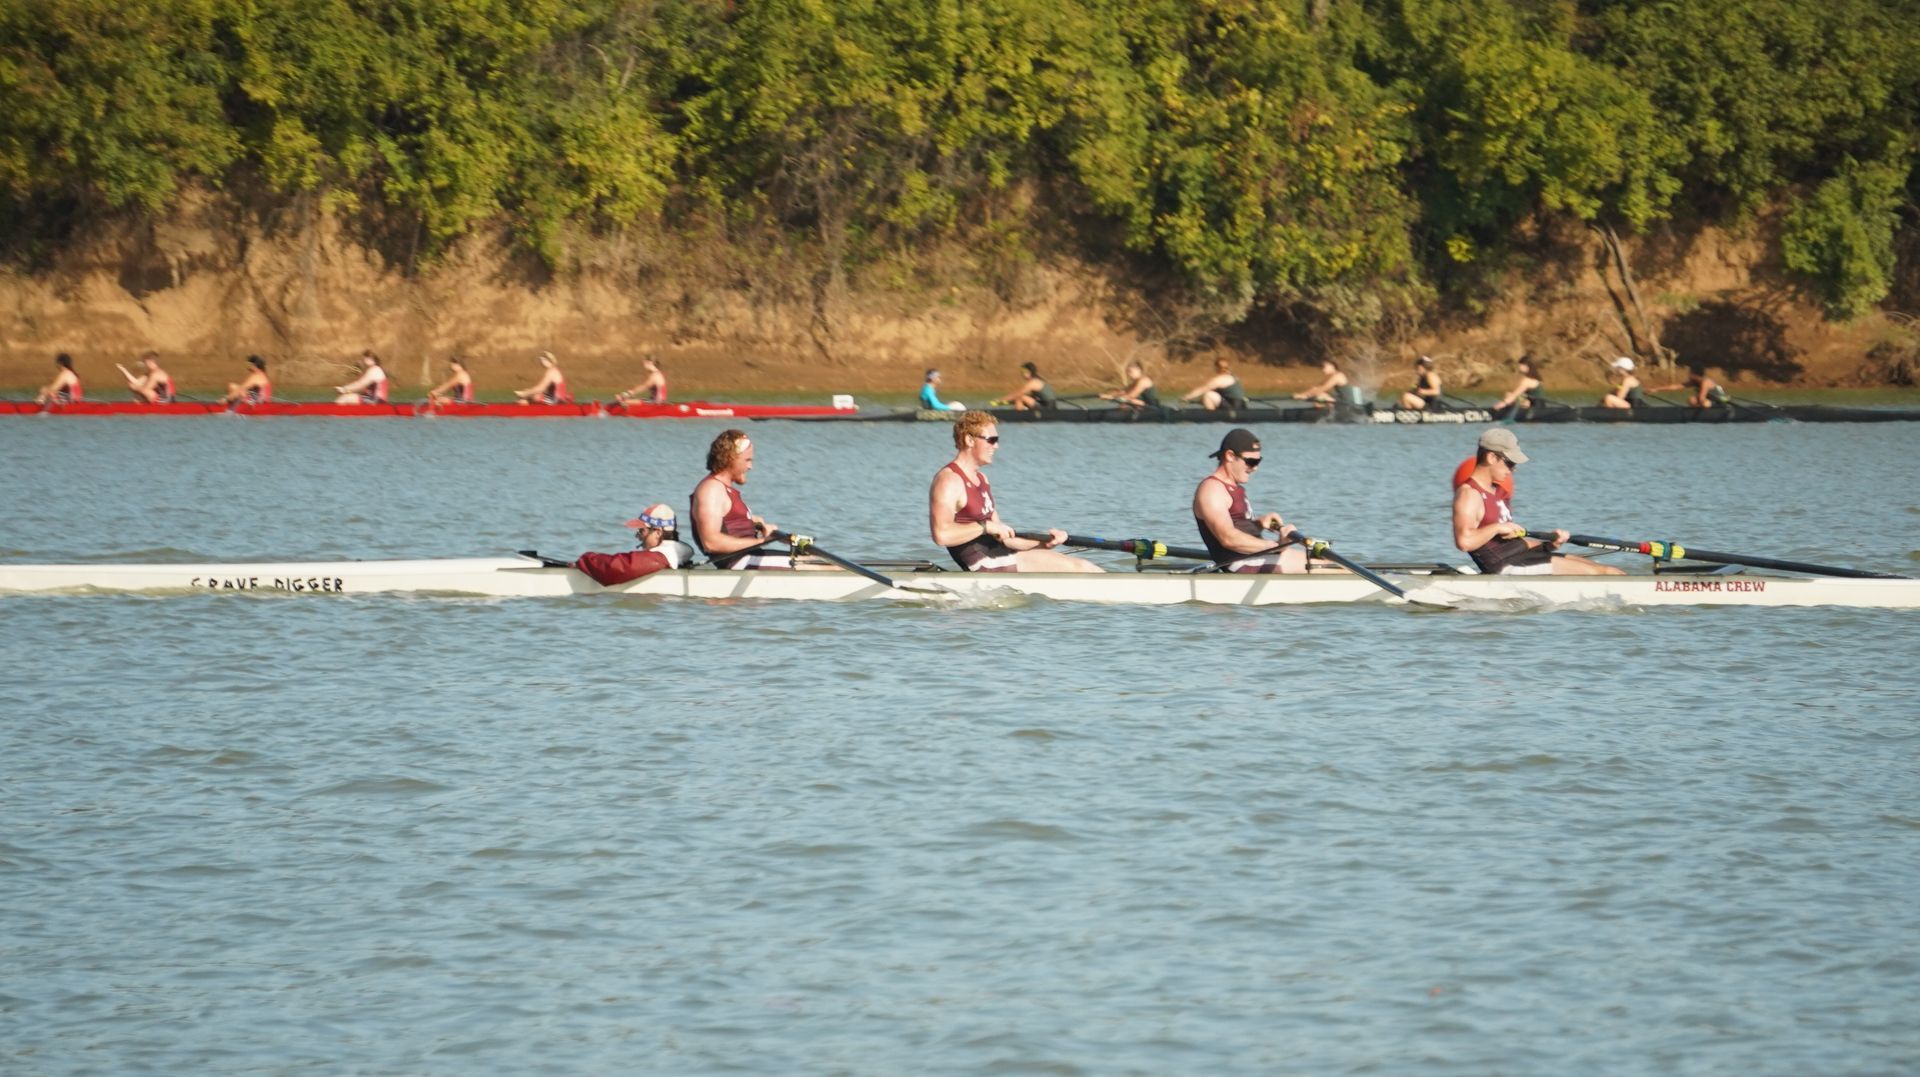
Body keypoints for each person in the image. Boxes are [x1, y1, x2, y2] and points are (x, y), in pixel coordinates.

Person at [928, 410, 1102, 573]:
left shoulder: (982, 480)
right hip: (986, 563)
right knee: (1081, 568)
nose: (996, 446)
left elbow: (1007, 539)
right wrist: (985, 527)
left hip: (1001, 555)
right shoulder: (949, 480)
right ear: (970, 440)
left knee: (1084, 567)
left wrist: (1043, 543)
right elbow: (941, 535)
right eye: (991, 440)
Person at [1452, 428, 1622, 576]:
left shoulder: (1499, 492)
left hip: (1521, 558)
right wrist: (1497, 527)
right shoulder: (1469, 494)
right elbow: (1464, 542)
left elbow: (1510, 545)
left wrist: (1549, 546)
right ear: (1492, 457)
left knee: (1608, 570)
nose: (1514, 469)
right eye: (1510, 462)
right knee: (1602, 574)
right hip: (1506, 568)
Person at [690, 429, 818, 570]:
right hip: (739, 562)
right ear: (730, 458)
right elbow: (711, 543)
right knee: (828, 567)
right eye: (747, 460)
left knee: (821, 562)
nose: (750, 467)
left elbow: (727, 523)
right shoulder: (711, 489)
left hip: (749, 557)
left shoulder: (722, 489)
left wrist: (752, 522)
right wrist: (763, 541)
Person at [1192, 428, 1313, 573]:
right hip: (1241, 564)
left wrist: (1258, 524)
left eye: (1258, 461)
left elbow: (1238, 528)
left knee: (1325, 563)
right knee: (1330, 567)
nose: (1255, 468)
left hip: (1253, 558)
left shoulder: (1234, 487)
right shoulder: (1212, 489)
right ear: (1230, 456)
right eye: (1251, 461)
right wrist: (1277, 545)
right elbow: (1228, 538)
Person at [573, 504, 697, 586]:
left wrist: (585, 560)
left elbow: (616, 569)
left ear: (658, 533)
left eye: (641, 531)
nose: (638, 536)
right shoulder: (678, 552)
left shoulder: (662, 556)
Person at [1182, 358, 1250, 411]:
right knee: (1210, 395)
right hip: (1242, 405)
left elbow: (1202, 389)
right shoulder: (1233, 376)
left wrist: (1187, 397)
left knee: (1208, 394)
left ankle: (1211, 417)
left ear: (1216, 368)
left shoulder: (1220, 379)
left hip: (1233, 407)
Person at [1653, 365, 1729, 408]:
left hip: (1720, 400)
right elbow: (1675, 387)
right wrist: (1656, 389)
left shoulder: (1705, 382)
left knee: (1704, 403)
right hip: (1709, 400)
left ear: (1695, 374)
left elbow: (1701, 398)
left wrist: (1697, 404)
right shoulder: (1695, 381)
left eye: (1690, 373)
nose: (1688, 375)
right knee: (1691, 399)